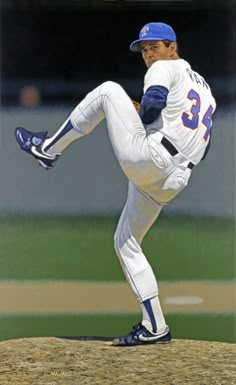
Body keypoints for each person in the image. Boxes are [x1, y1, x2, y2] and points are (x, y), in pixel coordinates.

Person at [15, 22, 216, 346]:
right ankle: (155, 327)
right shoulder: (205, 89)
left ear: (173, 48)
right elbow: (205, 147)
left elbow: (151, 109)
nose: (149, 54)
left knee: (109, 90)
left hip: (151, 159)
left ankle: (47, 149)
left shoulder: (164, 69)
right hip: (176, 178)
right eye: (145, 49)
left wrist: (138, 113)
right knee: (126, 242)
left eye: (155, 47)